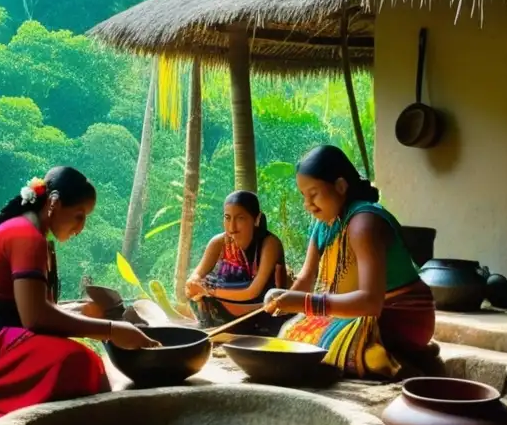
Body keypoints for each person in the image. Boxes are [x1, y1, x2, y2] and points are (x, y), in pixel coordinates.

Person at [0, 166, 159, 425]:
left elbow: (34, 309)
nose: (81, 227)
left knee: (78, 361)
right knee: (81, 363)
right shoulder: (26, 236)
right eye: (79, 216)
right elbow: (35, 318)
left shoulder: (29, 232)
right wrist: (111, 330)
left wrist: (84, 314)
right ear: (53, 202)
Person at [263, 146, 436, 379]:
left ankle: (396, 358)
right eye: (304, 195)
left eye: (313, 193)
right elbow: (306, 277)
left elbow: (371, 303)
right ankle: (391, 354)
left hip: (400, 316)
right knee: (291, 333)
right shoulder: (324, 223)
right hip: (360, 315)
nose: (307, 204)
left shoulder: (364, 223)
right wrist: (282, 300)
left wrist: (304, 303)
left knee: (332, 347)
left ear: (341, 186)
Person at [185, 191, 288, 335]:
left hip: (261, 312)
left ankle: (218, 330)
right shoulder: (218, 242)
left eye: (240, 218)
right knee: (204, 286)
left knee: (210, 288)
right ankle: (212, 328)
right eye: (227, 218)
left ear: (256, 219)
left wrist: (209, 290)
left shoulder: (269, 244)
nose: (231, 227)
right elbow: (195, 276)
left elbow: (253, 291)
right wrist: (194, 283)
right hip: (225, 307)